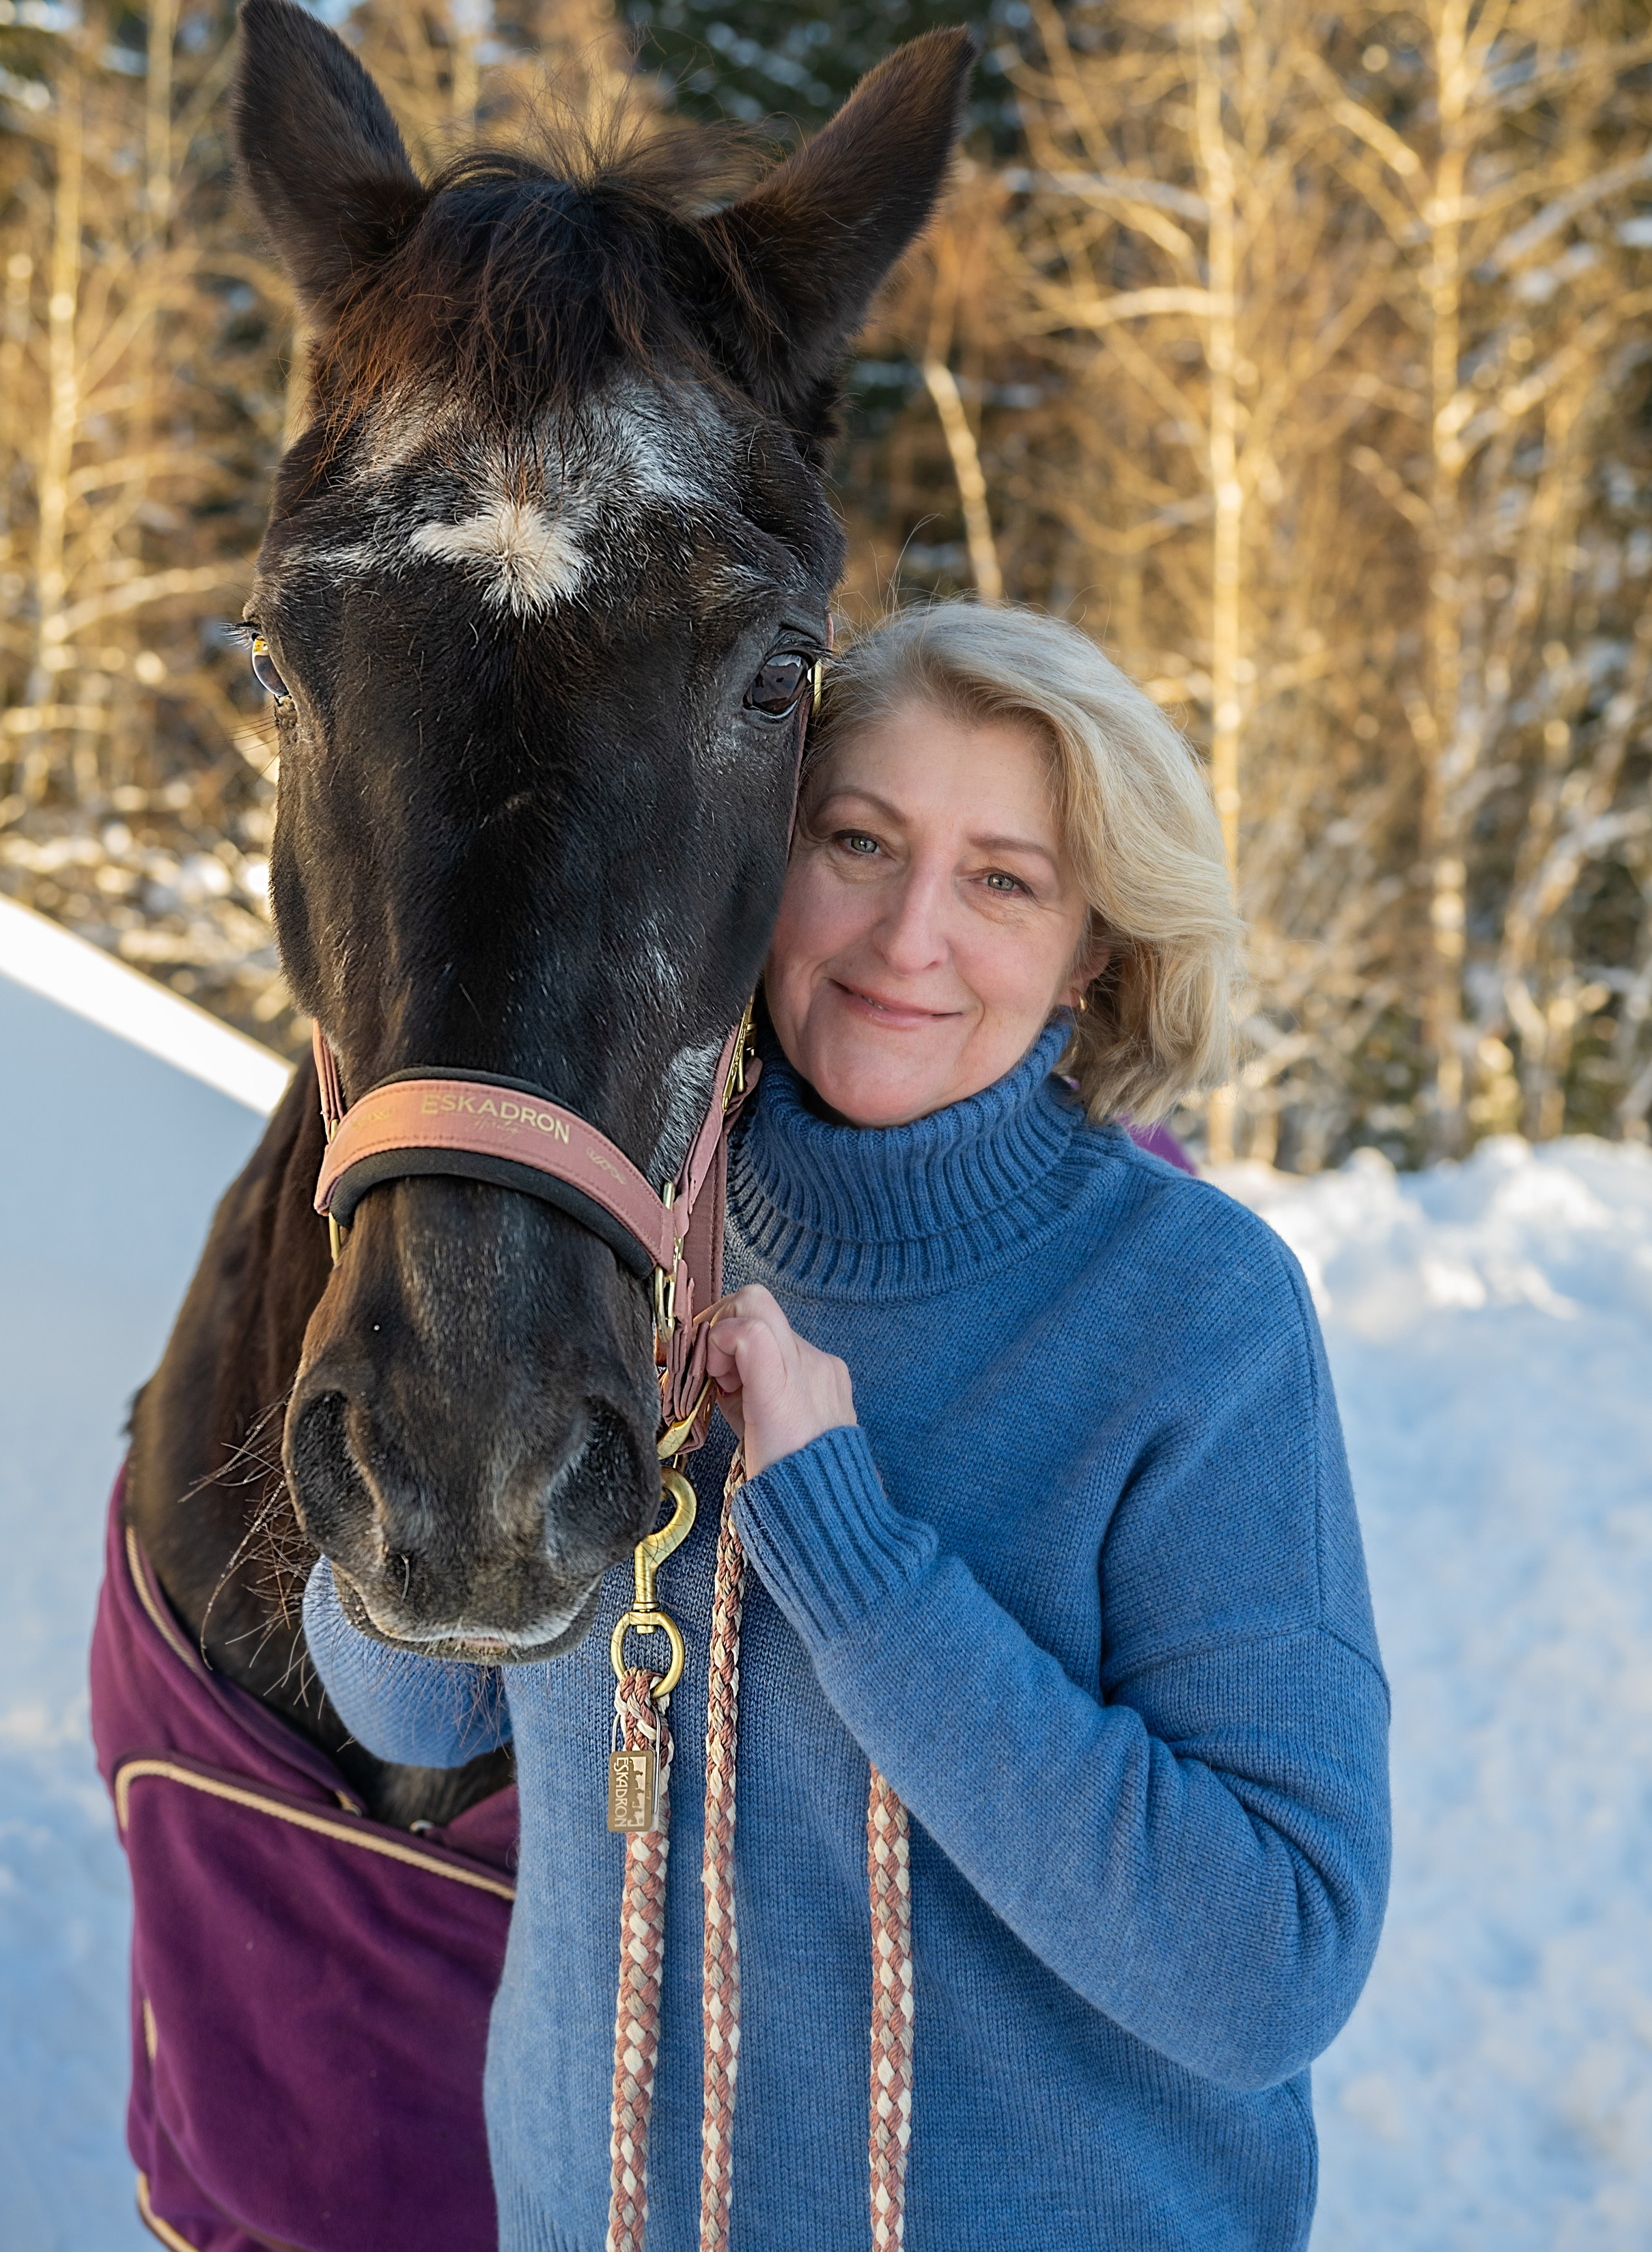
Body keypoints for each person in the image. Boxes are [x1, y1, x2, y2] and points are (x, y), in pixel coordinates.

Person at [304, 600, 1390, 2252]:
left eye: (1002, 879)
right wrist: (445, 1372)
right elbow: (416, 1705)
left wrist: (842, 1537)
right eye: (855, 841)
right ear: (747, 863)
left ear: (1094, 950)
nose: (905, 938)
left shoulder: (1189, 1313)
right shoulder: (626, 1237)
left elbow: (1266, 1971)